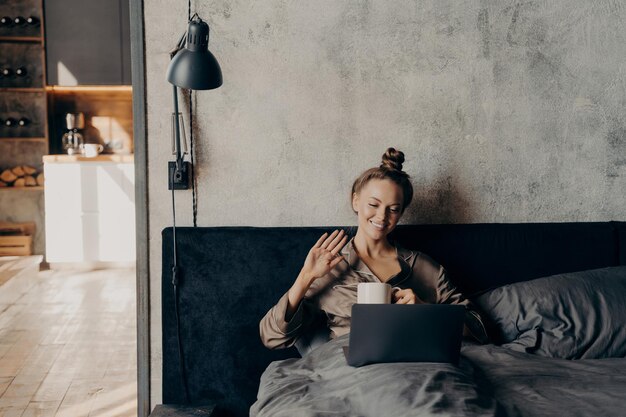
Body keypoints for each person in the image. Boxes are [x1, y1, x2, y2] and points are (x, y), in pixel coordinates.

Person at [260, 148, 487, 350]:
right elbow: (271, 337)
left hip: (415, 366)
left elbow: (479, 330)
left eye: (393, 209)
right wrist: (305, 277)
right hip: (351, 372)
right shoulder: (330, 267)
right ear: (356, 201)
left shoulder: (425, 268)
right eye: (373, 204)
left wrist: (426, 311)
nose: (382, 216)